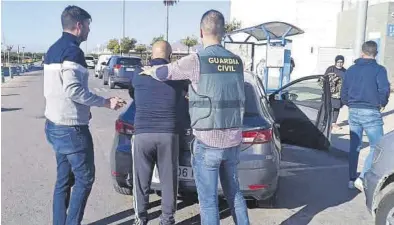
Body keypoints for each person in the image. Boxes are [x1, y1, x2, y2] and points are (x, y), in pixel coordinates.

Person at [140, 9, 250, 225]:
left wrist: (149, 71)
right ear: (223, 32)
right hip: (233, 141)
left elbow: (164, 73)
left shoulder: (197, 60)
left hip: (208, 142)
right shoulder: (237, 61)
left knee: (208, 202)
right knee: (235, 195)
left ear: (201, 32)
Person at [43, 5, 126, 225]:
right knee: (85, 178)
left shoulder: (52, 49)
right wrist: (106, 102)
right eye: (88, 25)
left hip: (53, 125)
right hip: (71, 129)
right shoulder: (73, 52)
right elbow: (73, 90)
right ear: (79, 26)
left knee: (63, 179)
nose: (89, 31)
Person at [130, 41, 188, 225]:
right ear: (169, 56)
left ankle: (141, 218)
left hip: (142, 134)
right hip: (168, 135)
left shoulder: (138, 76)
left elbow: (134, 94)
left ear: (151, 55)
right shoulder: (176, 77)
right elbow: (184, 95)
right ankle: (167, 220)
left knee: (141, 181)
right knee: (169, 181)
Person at [341, 41, 390, 191]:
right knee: (376, 147)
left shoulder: (351, 70)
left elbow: (344, 91)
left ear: (362, 52)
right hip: (371, 112)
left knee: (354, 147)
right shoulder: (379, 70)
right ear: (376, 53)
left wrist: (348, 103)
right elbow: (384, 89)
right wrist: (382, 103)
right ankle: (362, 178)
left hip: (354, 111)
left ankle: (351, 179)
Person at [324, 55, 347, 130]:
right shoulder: (331, 68)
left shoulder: (345, 71)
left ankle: (334, 123)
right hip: (329, 92)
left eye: (341, 62)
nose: (340, 64)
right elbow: (325, 78)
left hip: (339, 94)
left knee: (337, 107)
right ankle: (327, 122)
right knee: (328, 107)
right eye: (338, 62)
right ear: (335, 62)